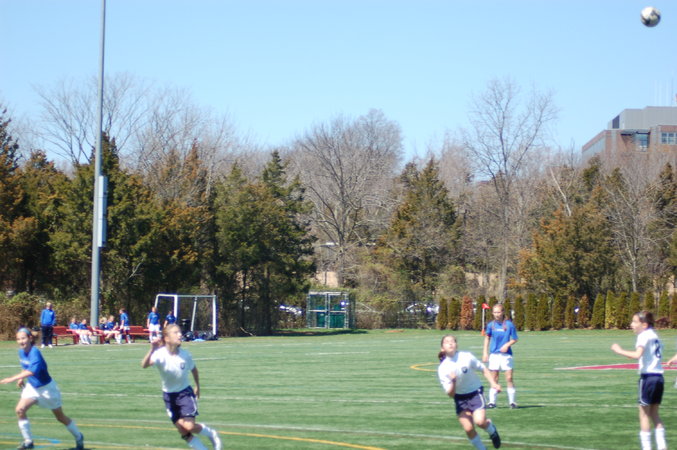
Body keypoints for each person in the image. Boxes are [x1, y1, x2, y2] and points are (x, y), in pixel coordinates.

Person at [0, 327, 84, 450]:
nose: (21, 341)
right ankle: (28, 442)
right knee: (20, 410)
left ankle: (79, 437)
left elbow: (32, 371)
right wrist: (20, 379)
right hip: (32, 387)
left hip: (47, 389)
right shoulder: (21, 352)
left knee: (60, 417)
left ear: (30, 338)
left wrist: (11, 378)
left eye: (23, 338)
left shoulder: (35, 352)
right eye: (18, 339)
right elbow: (25, 367)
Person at [141, 324, 222, 450]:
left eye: (179, 332)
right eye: (175, 332)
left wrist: (197, 386)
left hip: (185, 394)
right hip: (169, 396)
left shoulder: (185, 355)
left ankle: (211, 433)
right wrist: (152, 349)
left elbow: (194, 370)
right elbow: (144, 365)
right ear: (166, 338)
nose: (180, 335)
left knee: (189, 426)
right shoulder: (160, 354)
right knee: (182, 430)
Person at [611, 311, 667, 450]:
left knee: (644, 415)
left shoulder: (643, 335)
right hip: (659, 378)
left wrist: (619, 350)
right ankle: (662, 446)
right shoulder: (654, 335)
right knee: (655, 414)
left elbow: (637, 354)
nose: (632, 325)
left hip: (648, 378)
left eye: (635, 322)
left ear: (644, 324)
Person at [438, 334, 502, 449]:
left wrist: (493, 383)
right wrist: (453, 381)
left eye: (453, 341)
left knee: (480, 421)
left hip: (475, 393)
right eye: (447, 342)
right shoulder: (443, 368)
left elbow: (483, 369)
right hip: (460, 398)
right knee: (468, 428)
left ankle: (492, 431)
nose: (450, 343)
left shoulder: (466, 357)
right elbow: (450, 394)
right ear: (442, 348)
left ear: (456, 345)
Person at [482, 303, 518, 409]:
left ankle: (512, 402)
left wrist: (507, 345)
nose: (497, 314)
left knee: (509, 378)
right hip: (494, 355)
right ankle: (492, 402)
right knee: (494, 378)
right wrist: (485, 353)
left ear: (502, 312)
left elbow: (515, 338)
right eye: (495, 312)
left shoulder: (509, 325)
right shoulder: (491, 325)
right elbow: (487, 338)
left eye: (498, 312)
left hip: (506, 355)